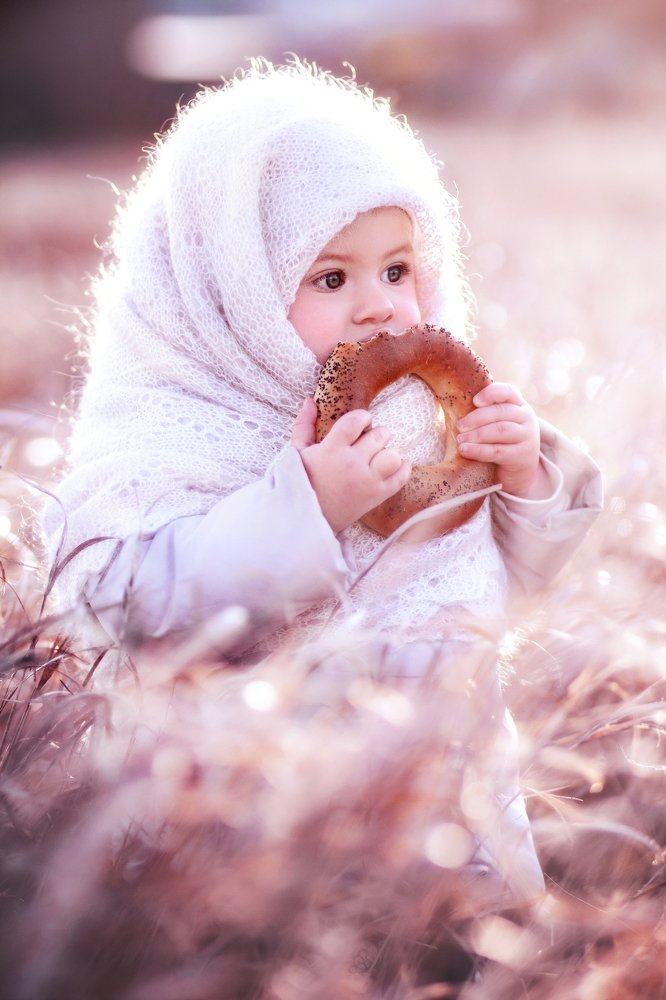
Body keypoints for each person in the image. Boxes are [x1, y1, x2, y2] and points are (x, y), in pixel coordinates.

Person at [42, 60, 602, 905]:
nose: (380, 306)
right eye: (332, 278)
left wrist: (524, 477)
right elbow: (117, 600)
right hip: (248, 862)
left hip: (457, 841)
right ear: (228, 286)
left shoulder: (425, 418)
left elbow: (503, 585)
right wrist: (305, 511)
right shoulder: (173, 424)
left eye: (398, 268)